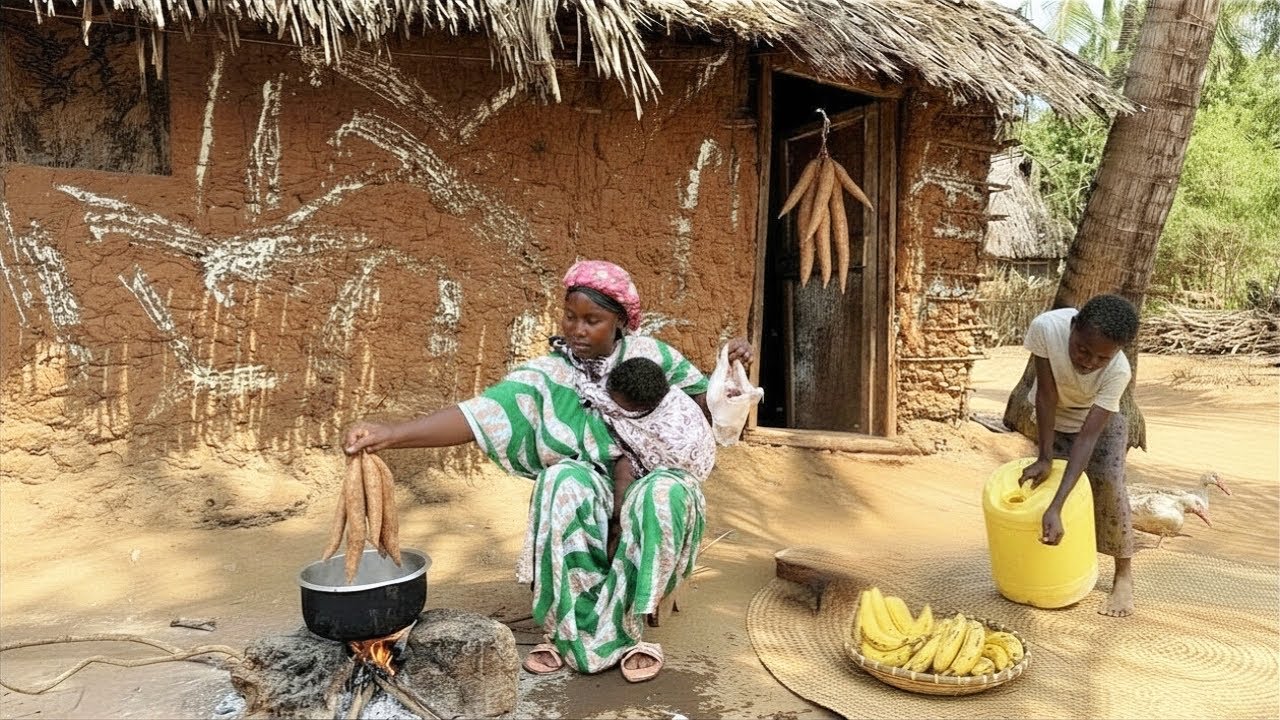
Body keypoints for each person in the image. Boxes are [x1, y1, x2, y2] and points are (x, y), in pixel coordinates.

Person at [343, 259, 753, 681]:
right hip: (594, 478)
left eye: (593, 320)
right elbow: (481, 415)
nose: (578, 329)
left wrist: (731, 373)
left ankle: (626, 630)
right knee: (562, 482)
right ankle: (568, 629)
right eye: (571, 317)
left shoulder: (652, 356)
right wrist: (391, 434)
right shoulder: (549, 374)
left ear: (619, 322)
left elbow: (703, 406)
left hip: (658, 476)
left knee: (659, 496)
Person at [1016, 293, 1141, 617]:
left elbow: (1088, 437)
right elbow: (1045, 395)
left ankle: (1123, 574)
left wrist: (1058, 506)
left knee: (1109, 485)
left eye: (1102, 358)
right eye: (1082, 349)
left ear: (1116, 353)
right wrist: (1045, 457)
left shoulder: (1119, 371)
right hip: (1052, 413)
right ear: (1073, 327)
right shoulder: (1047, 328)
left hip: (1097, 422)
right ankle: (1054, 562)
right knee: (1044, 485)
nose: (1089, 362)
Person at [591, 356, 717, 560]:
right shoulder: (659, 391)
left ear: (641, 408)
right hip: (666, 460)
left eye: (619, 403)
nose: (612, 404)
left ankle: (617, 525)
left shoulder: (673, 425)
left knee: (623, 468)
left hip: (677, 468)